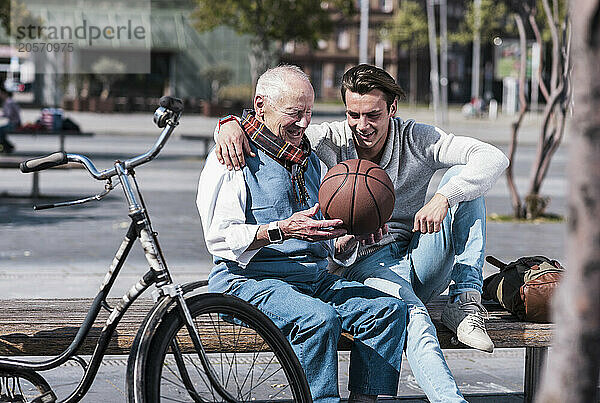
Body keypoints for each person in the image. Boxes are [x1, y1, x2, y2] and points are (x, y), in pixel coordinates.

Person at [215, 64, 509, 401]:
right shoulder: (329, 139)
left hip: (419, 253)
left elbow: (493, 157)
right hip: (367, 263)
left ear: (392, 109)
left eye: (372, 115)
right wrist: (227, 125)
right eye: (354, 114)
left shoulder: (417, 138)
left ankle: (466, 300)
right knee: (414, 318)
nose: (362, 125)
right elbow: (271, 129)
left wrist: (444, 196)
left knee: (464, 181)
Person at [197, 65, 410, 403]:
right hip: (247, 281)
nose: (305, 122)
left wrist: (352, 235)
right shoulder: (231, 157)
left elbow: (329, 246)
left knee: (388, 311)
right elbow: (219, 237)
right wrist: (281, 230)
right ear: (261, 105)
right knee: (319, 319)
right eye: (295, 113)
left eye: (310, 111)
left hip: (311, 281)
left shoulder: (312, 161)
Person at [0, 87, 21, 154]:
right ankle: (8, 147)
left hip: (14, 124)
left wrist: (2, 115)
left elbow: (9, 114)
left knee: (0, 131)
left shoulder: (9, 102)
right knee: (1, 132)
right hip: (14, 122)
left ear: (5, 94)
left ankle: (7, 147)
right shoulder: (9, 101)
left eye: (1, 93)